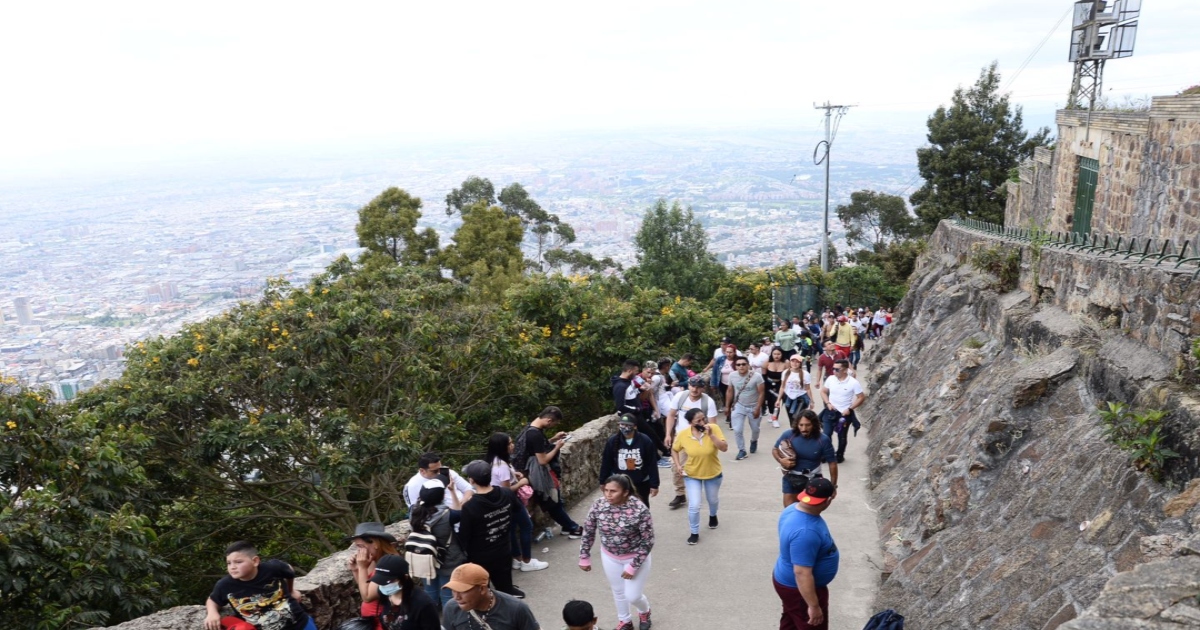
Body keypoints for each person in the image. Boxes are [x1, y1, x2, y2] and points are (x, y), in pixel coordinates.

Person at [578, 474, 656, 630]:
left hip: (635, 557)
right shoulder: (599, 505)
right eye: (606, 490)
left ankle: (644, 611)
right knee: (618, 591)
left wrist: (634, 565)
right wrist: (584, 555)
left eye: (613, 491)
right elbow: (589, 530)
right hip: (610, 556)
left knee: (632, 595)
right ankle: (625, 621)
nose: (608, 494)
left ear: (625, 492)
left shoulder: (639, 509)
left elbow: (648, 540)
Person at [773, 478, 839, 630]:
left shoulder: (793, 508)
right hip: (800, 590)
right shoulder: (805, 531)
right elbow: (802, 573)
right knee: (811, 624)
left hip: (787, 582)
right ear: (828, 500)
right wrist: (814, 606)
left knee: (791, 620)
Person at [205, 541, 314, 630]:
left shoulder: (272, 568)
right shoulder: (225, 585)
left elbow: (289, 570)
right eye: (229, 563)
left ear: (255, 561)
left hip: (301, 624)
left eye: (238, 562)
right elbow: (213, 600)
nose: (232, 567)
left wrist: (291, 591)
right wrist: (212, 613)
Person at [512, 406, 585, 538]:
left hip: (530, 470)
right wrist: (557, 447)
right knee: (553, 502)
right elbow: (542, 460)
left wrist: (552, 439)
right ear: (549, 420)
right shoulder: (535, 434)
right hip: (539, 474)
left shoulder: (530, 429)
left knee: (556, 501)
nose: (554, 425)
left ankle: (566, 527)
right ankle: (573, 528)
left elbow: (536, 448)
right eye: (555, 423)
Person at [458, 460, 523, 598]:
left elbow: (464, 536)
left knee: (482, 590)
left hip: (480, 556)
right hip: (504, 547)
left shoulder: (470, 506)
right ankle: (509, 599)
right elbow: (517, 509)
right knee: (505, 586)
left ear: (471, 480)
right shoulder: (506, 493)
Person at [486, 433, 548, 574]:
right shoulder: (501, 465)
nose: (512, 445)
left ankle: (517, 558)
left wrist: (515, 474)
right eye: (509, 443)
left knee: (512, 529)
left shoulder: (493, 461)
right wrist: (521, 482)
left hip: (500, 502)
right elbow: (506, 489)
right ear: (502, 447)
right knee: (527, 525)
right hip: (510, 501)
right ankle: (527, 561)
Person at [671, 408, 728, 545]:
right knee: (694, 505)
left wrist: (712, 435)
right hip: (692, 474)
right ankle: (694, 532)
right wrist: (678, 464)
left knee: (712, 500)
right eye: (699, 421)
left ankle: (713, 515)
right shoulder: (683, 434)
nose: (703, 422)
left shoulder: (713, 428)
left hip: (712, 473)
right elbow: (674, 449)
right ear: (691, 422)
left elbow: (724, 448)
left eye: (704, 419)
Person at [408, 479, 467, 607]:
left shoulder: (414, 512)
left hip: (424, 557)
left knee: (430, 594)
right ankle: (448, 623)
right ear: (442, 495)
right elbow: (459, 511)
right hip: (447, 559)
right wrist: (452, 491)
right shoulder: (448, 514)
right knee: (448, 597)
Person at [663, 376, 718, 510]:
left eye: (698, 386)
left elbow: (713, 424)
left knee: (699, 466)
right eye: (692, 386)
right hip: (682, 438)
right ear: (688, 385)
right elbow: (671, 415)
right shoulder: (680, 397)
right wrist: (668, 434)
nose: (695, 389)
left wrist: (711, 440)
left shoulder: (708, 402)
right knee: (676, 467)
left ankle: (697, 488)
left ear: (702, 388)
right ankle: (680, 493)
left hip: (701, 439)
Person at [440, 563, 540, 630]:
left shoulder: (517, 609)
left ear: (482, 589)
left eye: (462, 590)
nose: (457, 597)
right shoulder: (451, 608)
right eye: (453, 590)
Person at [771, 410, 837, 508]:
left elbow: (832, 463)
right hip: (791, 478)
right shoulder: (789, 434)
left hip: (813, 479)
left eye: (807, 425)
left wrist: (833, 486)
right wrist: (781, 460)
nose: (803, 428)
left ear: (814, 425)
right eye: (801, 425)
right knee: (790, 511)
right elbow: (775, 449)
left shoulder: (823, 440)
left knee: (809, 511)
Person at [599, 414, 660, 506]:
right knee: (620, 505)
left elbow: (651, 463)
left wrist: (654, 484)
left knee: (641, 505)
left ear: (635, 426)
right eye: (622, 425)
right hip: (619, 482)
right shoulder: (613, 441)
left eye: (628, 425)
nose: (624, 428)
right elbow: (606, 462)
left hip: (641, 482)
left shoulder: (645, 441)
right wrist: (603, 480)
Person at [346, 521, 400, 623]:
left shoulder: (388, 565)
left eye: (360, 546)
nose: (359, 551)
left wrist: (362, 568)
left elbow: (367, 597)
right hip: (372, 619)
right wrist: (355, 569)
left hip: (382, 620)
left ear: (375, 544)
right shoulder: (374, 561)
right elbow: (365, 585)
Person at [368, 554, 440, 630]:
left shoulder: (423, 604)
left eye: (388, 581)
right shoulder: (384, 594)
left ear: (404, 578)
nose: (383, 585)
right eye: (380, 581)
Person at [820, 358, 866, 464]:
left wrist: (850, 409)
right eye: (833, 369)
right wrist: (828, 403)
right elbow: (823, 392)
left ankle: (840, 455)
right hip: (830, 411)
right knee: (826, 434)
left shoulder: (853, 382)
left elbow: (861, 397)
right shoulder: (831, 379)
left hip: (844, 414)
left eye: (837, 369)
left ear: (845, 370)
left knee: (842, 436)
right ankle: (827, 454)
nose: (834, 371)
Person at [725, 355, 765, 460]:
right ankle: (742, 450)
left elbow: (761, 393)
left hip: (754, 405)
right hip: (739, 405)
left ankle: (754, 440)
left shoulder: (757, 376)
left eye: (743, 364)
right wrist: (727, 406)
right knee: (737, 429)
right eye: (738, 365)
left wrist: (758, 407)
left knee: (755, 429)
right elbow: (729, 391)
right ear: (735, 366)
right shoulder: (732, 376)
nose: (741, 366)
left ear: (748, 365)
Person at [404, 453, 473, 510]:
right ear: (422, 470)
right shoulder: (412, 485)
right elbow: (415, 509)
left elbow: (468, 488)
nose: (439, 472)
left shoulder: (448, 472)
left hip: (463, 507)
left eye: (441, 468)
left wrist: (463, 502)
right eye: (435, 471)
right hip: (440, 517)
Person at [777, 356, 812, 421]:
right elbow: (782, 387)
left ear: (800, 363)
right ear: (790, 362)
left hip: (801, 399)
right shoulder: (785, 372)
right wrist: (778, 399)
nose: (794, 363)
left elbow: (808, 389)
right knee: (791, 419)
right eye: (793, 361)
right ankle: (794, 430)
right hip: (789, 398)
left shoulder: (805, 374)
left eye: (797, 362)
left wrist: (811, 401)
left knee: (798, 418)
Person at [708, 344, 739, 411]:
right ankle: (729, 413)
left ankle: (733, 413)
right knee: (726, 398)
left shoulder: (738, 360)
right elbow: (715, 372)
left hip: (735, 384)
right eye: (727, 352)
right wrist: (713, 384)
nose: (728, 354)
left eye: (730, 352)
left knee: (734, 399)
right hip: (723, 384)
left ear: (734, 352)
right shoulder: (720, 359)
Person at [762, 346, 787, 429]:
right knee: (769, 402)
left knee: (777, 402)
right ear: (771, 354)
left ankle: (775, 419)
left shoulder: (786, 362)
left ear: (782, 354)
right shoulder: (767, 362)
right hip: (768, 384)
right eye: (774, 354)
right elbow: (764, 375)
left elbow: (788, 376)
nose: (776, 356)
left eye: (778, 354)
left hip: (780, 384)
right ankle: (771, 413)